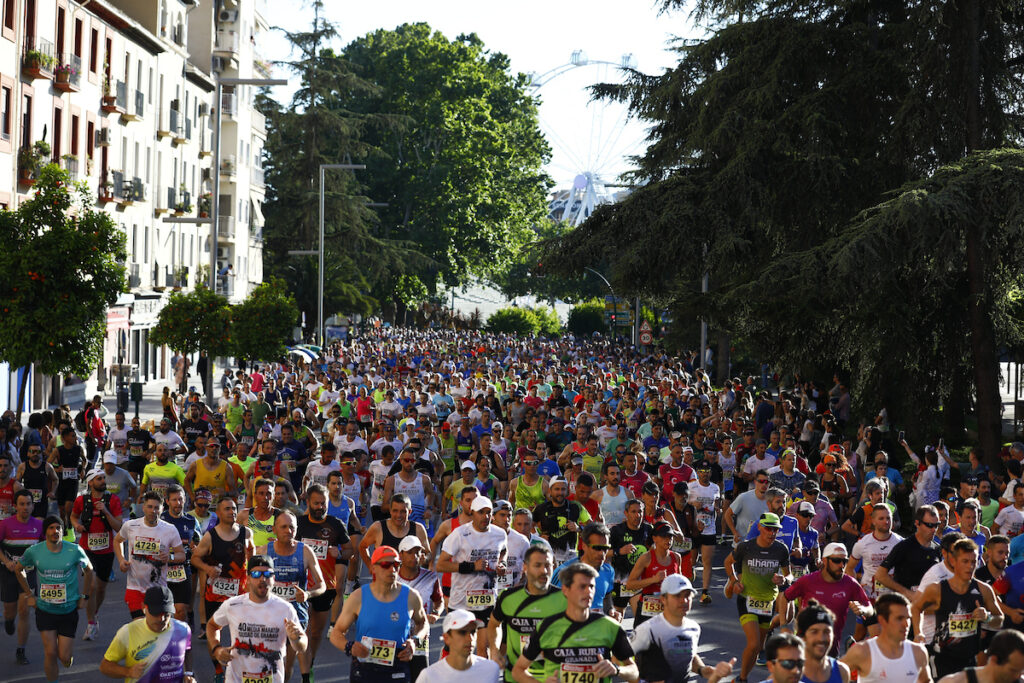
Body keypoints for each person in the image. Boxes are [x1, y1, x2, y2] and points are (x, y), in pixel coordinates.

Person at [511, 561, 639, 683]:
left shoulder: (610, 626)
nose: (588, 592)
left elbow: (634, 672)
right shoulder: (546, 627)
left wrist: (616, 669)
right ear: (565, 590)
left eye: (592, 587)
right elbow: (518, 671)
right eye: (582, 587)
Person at [330, 545, 429, 683]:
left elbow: (423, 623)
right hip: (365, 666)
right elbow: (336, 633)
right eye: (385, 564)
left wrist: (415, 641)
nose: (392, 569)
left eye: (396, 564)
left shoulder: (411, 596)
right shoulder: (358, 597)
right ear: (373, 567)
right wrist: (349, 647)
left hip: (398, 664)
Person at [15, 515, 93, 683]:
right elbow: (18, 569)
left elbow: (89, 571)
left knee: (64, 656)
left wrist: (85, 596)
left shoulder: (74, 550)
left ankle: (66, 658)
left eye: (58, 528)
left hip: (68, 610)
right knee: (50, 652)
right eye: (51, 528)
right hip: (45, 610)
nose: (55, 531)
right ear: (45, 531)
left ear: (62, 531)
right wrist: (29, 595)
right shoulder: (34, 551)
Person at [208, 554, 308, 683]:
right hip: (236, 679)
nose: (262, 579)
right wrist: (217, 649)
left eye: (267, 574)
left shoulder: (285, 608)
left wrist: (296, 638)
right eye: (256, 574)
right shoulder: (232, 605)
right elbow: (212, 626)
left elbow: (302, 646)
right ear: (248, 578)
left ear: (274, 578)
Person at [912, 537, 1003, 678]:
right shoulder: (937, 589)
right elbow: (916, 607)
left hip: (970, 660)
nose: (970, 566)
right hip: (942, 658)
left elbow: (1000, 620)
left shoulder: (984, 590)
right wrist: (918, 633)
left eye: (974, 562)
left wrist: (987, 617)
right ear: (954, 562)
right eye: (965, 561)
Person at [629, 573, 736, 683]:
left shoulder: (693, 628)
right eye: (677, 596)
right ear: (663, 599)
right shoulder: (648, 629)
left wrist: (703, 670)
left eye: (687, 595)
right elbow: (620, 658)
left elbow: (687, 655)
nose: (684, 601)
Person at [191, 495, 254, 680]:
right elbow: (195, 558)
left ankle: (243, 667)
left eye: (234, 508)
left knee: (244, 631)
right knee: (214, 631)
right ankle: (218, 671)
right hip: (215, 594)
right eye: (227, 509)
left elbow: (252, 560)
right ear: (218, 513)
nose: (232, 512)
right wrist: (208, 568)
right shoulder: (210, 536)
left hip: (240, 593)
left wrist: (252, 581)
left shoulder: (246, 533)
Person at [724, 512, 792, 683]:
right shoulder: (746, 547)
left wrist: (784, 579)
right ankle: (742, 680)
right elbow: (727, 562)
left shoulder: (781, 549)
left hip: (768, 602)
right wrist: (734, 581)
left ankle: (742, 678)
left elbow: (789, 575)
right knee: (754, 644)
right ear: (760, 527)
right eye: (768, 529)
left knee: (757, 648)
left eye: (775, 530)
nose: (772, 533)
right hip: (747, 599)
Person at [437, 495, 508, 654]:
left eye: (489, 512)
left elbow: (503, 551)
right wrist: (471, 566)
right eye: (481, 512)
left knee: (485, 648)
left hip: (487, 599)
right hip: (462, 600)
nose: (486, 516)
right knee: (457, 649)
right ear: (472, 512)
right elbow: (440, 565)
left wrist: (501, 564)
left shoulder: (499, 534)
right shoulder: (460, 534)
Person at [260, 511, 325, 683]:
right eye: (284, 527)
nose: (288, 531)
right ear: (274, 529)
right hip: (269, 615)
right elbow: (250, 583)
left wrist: (308, 594)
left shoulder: (305, 551)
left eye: (292, 527)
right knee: (268, 662)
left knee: (286, 664)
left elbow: (322, 584)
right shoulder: (264, 552)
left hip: (295, 616)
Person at [296, 483, 352, 674]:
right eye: (316, 503)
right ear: (309, 503)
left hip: (325, 586)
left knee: (316, 632)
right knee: (302, 628)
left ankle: (309, 664)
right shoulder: (299, 523)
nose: (320, 507)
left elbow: (350, 550)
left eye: (323, 503)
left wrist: (340, 554)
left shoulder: (335, 524)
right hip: (301, 585)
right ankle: (300, 666)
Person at [488, 544, 565, 683]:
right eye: (537, 565)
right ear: (525, 567)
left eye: (548, 565)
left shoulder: (565, 599)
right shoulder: (508, 598)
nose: (544, 570)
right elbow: (494, 624)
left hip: (552, 678)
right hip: (515, 677)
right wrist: (494, 649)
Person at [778, 543, 871, 655]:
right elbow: (785, 597)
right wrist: (783, 626)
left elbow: (869, 607)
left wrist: (863, 610)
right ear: (825, 560)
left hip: (830, 652)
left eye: (844, 561)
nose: (841, 565)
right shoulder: (808, 581)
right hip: (804, 650)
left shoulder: (850, 583)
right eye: (837, 561)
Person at [99, 585, 194, 683]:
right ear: (143, 607)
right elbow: (105, 666)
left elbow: (187, 650)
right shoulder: (128, 632)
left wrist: (188, 674)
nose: (161, 619)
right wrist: (128, 672)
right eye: (156, 613)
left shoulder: (183, 629)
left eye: (166, 614)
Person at [71, 468, 124, 641]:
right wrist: (77, 526)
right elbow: (73, 516)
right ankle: (91, 623)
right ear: (90, 482)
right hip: (87, 550)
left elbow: (118, 527)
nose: (103, 481)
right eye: (99, 478)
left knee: (101, 588)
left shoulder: (113, 500)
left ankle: (95, 612)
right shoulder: (82, 500)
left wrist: (106, 511)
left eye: (103, 478)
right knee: (92, 585)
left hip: (107, 551)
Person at [114, 490, 185, 619]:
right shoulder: (131, 525)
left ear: (162, 508)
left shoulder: (170, 529)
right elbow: (117, 540)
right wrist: (121, 560)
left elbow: (181, 554)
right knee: (139, 626)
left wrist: (170, 557)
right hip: (134, 587)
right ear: (143, 507)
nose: (153, 511)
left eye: (157, 508)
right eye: (150, 507)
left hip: (158, 588)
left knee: (157, 627)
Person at [841, 593, 931, 683]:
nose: (906, 624)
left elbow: (926, 681)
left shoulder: (918, 652)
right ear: (882, 620)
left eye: (907, 618)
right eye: (899, 618)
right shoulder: (862, 651)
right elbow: (832, 675)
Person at [0, 489, 42, 664]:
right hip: (8, 573)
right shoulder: (5, 525)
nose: (25, 507)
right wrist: (6, 561)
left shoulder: (39, 525)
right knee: (10, 611)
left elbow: (45, 549)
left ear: (33, 506)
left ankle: (20, 650)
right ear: (15, 506)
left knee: (24, 611)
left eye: (29, 504)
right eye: (22, 504)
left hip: (28, 574)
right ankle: (9, 621)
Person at [395, 535, 442, 681]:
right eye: (409, 552)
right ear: (401, 554)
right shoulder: (391, 577)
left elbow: (439, 601)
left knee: (420, 679)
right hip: (395, 638)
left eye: (418, 552)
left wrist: (435, 613)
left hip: (420, 638)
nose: (414, 556)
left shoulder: (430, 577)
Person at [874, 505, 941, 603]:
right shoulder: (904, 547)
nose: (933, 529)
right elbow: (880, 575)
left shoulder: (937, 548)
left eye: (936, 525)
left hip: (929, 606)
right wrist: (907, 593)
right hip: (906, 607)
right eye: (929, 525)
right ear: (917, 523)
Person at [416, 608, 502, 683]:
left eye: (473, 632)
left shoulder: (491, 670)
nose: (470, 638)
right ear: (446, 638)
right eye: (462, 632)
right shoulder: (429, 676)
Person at [552, 522, 617, 615]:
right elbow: (549, 604)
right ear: (584, 546)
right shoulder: (564, 572)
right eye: (597, 548)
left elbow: (606, 596)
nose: (602, 553)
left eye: (605, 548)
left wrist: (611, 611)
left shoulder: (608, 571)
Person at [625, 521, 682, 627]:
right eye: (664, 536)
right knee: (644, 642)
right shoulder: (646, 558)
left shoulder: (676, 557)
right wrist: (653, 580)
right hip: (648, 609)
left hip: (668, 607)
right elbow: (630, 584)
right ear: (654, 538)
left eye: (670, 537)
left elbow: (680, 584)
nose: (668, 540)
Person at [161, 484, 200, 624]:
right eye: (174, 500)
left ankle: (179, 641)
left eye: (181, 499)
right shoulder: (160, 519)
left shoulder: (191, 521)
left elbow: (199, 542)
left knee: (181, 609)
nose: (178, 503)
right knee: (163, 611)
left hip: (183, 569)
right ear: (167, 501)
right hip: (162, 570)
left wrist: (197, 548)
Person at [935, 629, 1024, 683]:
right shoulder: (955, 681)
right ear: (994, 660)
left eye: (1021, 671)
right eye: (1013, 670)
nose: (1018, 676)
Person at [689, 461, 721, 603]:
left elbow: (717, 504)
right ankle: (686, 587)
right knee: (692, 561)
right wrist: (692, 503)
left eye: (707, 470)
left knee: (708, 562)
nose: (704, 473)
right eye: (701, 470)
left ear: (710, 472)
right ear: (697, 472)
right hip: (694, 529)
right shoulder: (691, 486)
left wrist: (718, 509)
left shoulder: (715, 488)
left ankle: (705, 593)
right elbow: (682, 502)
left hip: (709, 529)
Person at [796, 602, 851, 683]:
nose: (821, 638)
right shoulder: (788, 674)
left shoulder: (842, 671)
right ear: (802, 636)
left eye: (827, 632)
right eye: (814, 632)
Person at [725, 469, 770, 542]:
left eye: (766, 482)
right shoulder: (743, 497)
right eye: (761, 481)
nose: (764, 484)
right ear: (755, 482)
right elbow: (727, 515)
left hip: (762, 543)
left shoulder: (772, 500)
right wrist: (735, 533)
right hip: (743, 542)